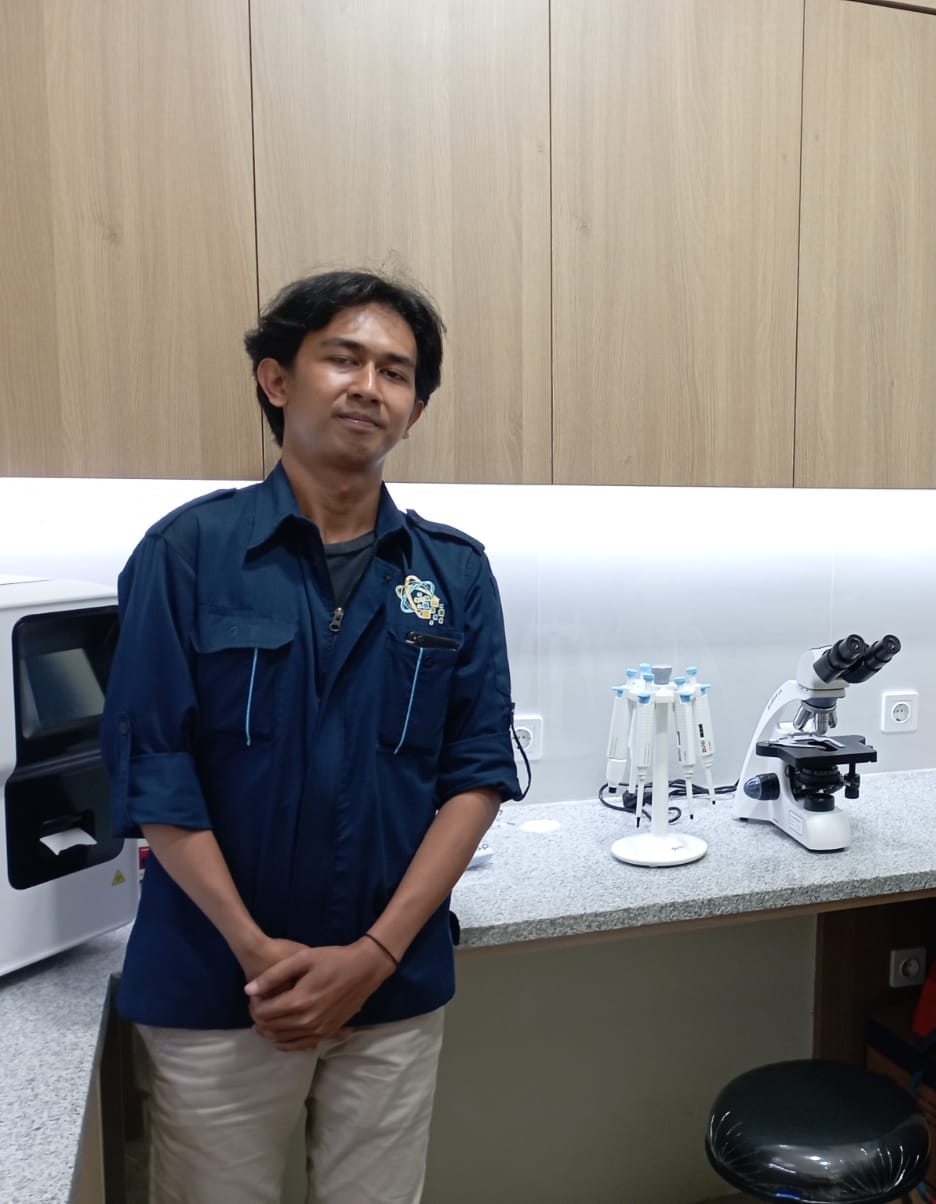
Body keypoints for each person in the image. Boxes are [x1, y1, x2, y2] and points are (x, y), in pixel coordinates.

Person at [101, 270, 519, 1203]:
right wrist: (260, 955)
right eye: (344, 358)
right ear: (277, 379)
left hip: (390, 985)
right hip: (221, 985)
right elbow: (154, 770)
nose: (370, 386)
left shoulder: (452, 573)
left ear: (415, 409)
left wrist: (371, 958)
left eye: (396, 372)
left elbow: (476, 772)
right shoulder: (188, 553)